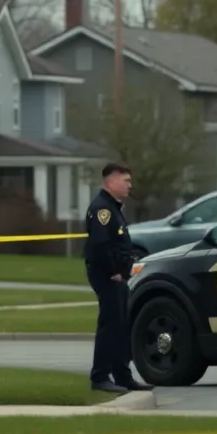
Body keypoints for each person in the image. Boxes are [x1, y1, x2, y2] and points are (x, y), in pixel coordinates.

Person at [83, 162, 154, 394]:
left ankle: (123, 376)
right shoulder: (102, 210)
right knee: (110, 325)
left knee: (121, 326)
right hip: (108, 276)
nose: (129, 185)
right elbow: (101, 245)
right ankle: (100, 376)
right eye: (126, 181)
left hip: (119, 275)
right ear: (111, 181)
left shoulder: (113, 208)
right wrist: (113, 270)